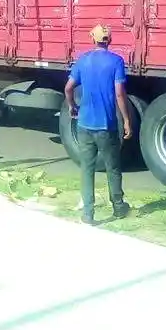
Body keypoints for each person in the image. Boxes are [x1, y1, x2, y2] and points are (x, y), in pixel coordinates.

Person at [64, 24, 132, 225]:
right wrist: (127, 120)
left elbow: (68, 88)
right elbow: (120, 93)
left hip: (84, 125)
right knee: (113, 167)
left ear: (92, 39)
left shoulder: (82, 61)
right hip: (106, 125)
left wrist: (72, 106)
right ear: (109, 40)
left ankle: (88, 213)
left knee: (87, 168)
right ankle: (119, 207)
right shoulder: (116, 61)